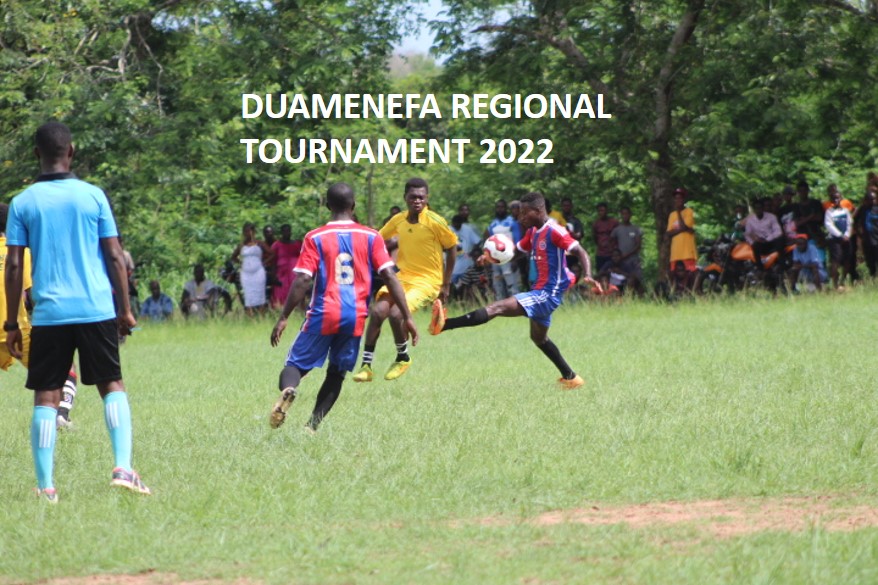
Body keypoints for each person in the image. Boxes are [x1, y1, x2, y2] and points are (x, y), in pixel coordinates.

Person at [5, 121, 149, 502]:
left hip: (49, 313)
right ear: (71, 151)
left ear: (36, 154)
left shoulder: (23, 203)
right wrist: (125, 309)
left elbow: (14, 266)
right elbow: (114, 256)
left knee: (46, 396)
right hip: (95, 309)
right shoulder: (93, 196)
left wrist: (11, 322)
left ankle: (46, 487)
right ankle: (123, 468)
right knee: (111, 384)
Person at [268, 182, 418, 432]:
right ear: (353, 205)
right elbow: (390, 276)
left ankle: (289, 390)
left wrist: (284, 316)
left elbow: (303, 279)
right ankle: (311, 427)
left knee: (295, 365)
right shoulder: (371, 236)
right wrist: (407, 316)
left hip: (323, 312)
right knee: (337, 373)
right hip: (355, 315)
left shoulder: (315, 237)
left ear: (328, 206)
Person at [437, 192, 597, 388]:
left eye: (524, 213)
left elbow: (580, 251)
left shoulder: (555, 231)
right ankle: (572, 378)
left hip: (547, 294)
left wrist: (588, 274)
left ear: (538, 211)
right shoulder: (533, 232)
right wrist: (489, 258)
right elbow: (516, 253)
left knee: (496, 308)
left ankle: (445, 324)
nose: (520, 217)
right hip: (540, 291)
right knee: (539, 338)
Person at [352, 178, 457, 382]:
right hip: (402, 277)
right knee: (378, 312)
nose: (417, 201)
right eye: (413, 197)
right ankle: (366, 366)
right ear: (405, 198)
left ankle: (403, 357)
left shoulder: (435, 221)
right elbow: (378, 238)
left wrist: (446, 284)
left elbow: (452, 248)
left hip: (427, 281)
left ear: (427, 199)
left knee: (395, 314)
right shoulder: (398, 219)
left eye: (421, 197)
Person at [0, 202, 79, 430]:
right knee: (64, 367)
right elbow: (31, 294)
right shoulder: (20, 253)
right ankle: (61, 414)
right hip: (16, 330)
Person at [230, 222, 273, 315]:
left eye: (250, 231)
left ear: (254, 232)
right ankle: (250, 316)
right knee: (248, 294)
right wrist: (241, 263)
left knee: (260, 293)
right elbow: (233, 257)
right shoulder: (241, 245)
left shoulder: (259, 243)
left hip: (258, 272)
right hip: (246, 274)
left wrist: (263, 263)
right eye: (246, 231)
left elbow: (272, 253)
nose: (248, 233)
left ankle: (261, 316)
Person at [485, 199, 522, 300]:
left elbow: (517, 241)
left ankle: (515, 304)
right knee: (498, 284)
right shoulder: (492, 224)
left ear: (506, 209)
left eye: (502, 207)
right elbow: (489, 243)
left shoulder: (512, 222)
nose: (500, 209)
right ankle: (500, 305)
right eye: (498, 207)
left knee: (512, 284)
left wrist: (515, 259)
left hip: (509, 257)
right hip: (496, 259)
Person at [666, 188, 696, 291]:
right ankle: (674, 294)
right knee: (674, 274)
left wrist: (679, 212)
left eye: (680, 198)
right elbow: (668, 233)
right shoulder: (671, 215)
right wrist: (682, 229)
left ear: (684, 200)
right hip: (676, 252)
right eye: (676, 198)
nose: (678, 200)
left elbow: (684, 226)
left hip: (687, 251)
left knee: (690, 275)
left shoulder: (689, 211)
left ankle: (691, 293)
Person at [610, 206, 644, 294]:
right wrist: (617, 256)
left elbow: (638, 245)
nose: (625, 216)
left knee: (638, 279)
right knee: (624, 279)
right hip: (622, 261)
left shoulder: (636, 229)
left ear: (630, 215)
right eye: (623, 214)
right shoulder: (617, 230)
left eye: (627, 214)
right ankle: (625, 296)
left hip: (634, 260)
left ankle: (641, 297)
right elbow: (612, 243)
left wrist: (627, 254)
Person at [824, 187, 853, 289]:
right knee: (835, 260)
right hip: (834, 239)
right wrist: (840, 235)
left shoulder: (845, 211)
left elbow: (849, 223)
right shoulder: (829, 212)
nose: (836, 200)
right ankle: (835, 283)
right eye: (833, 198)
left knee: (847, 259)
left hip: (846, 238)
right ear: (831, 200)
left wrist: (847, 235)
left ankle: (843, 280)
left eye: (837, 198)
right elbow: (829, 225)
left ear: (841, 198)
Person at [744, 197, 784, 270]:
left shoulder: (772, 217)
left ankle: (782, 266)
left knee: (780, 240)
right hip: (759, 242)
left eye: (760, 208)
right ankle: (760, 268)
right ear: (754, 209)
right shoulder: (750, 220)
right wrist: (753, 242)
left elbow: (778, 231)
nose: (758, 210)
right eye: (756, 208)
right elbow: (748, 234)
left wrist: (767, 239)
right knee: (754, 246)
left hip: (771, 240)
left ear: (763, 208)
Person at [270, 224, 303, 309]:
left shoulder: (297, 244)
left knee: (295, 290)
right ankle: (280, 309)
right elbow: (273, 260)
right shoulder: (276, 245)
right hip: (281, 273)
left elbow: (302, 257)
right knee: (280, 291)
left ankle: (296, 308)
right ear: (281, 232)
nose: (287, 233)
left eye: (288, 231)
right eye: (285, 231)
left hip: (294, 273)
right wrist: (273, 275)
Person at [450, 214, 481, 291]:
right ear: (452, 223)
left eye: (459, 225)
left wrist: (472, 252)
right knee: (453, 289)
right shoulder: (448, 230)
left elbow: (478, 241)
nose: (457, 226)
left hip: (466, 266)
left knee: (467, 289)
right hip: (453, 268)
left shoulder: (467, 229)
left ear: (461, 223)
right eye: (455, 225)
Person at [792, 180, 824, 244]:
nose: (803, 193)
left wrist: (803, 219)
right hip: (802, 238)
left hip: (816, 235)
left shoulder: (816, 203)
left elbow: (819, 218)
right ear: (798, 192)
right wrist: (811, 216)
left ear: (808, 191)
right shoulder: (795, 206)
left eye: (805, 190)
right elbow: (796, 223)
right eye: (800, 191)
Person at [591, 201, 619, 270]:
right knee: (601, 272)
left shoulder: (614, 222)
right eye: (599, 211)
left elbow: (618, 236)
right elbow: (595, 237)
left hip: (612, 254)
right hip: (601, 253)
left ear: (606, 211)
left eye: (603, 210)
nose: (601, 212)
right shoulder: (596, 224)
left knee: (613, 272)